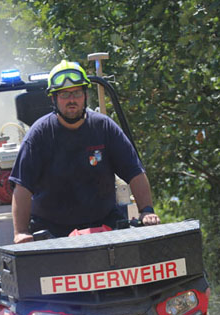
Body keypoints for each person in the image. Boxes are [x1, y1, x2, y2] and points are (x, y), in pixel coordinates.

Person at [9, 60, 160, 243]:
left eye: (77, 93)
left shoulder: (104, 127)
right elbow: (22, 187)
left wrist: (147, 211)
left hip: (105, 225)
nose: (72, 100)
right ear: (53, 98)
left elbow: (135, 172)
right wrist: (21, 233)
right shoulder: (39, 135)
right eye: (64, 94)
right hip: (52, 231)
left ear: (85, 96)